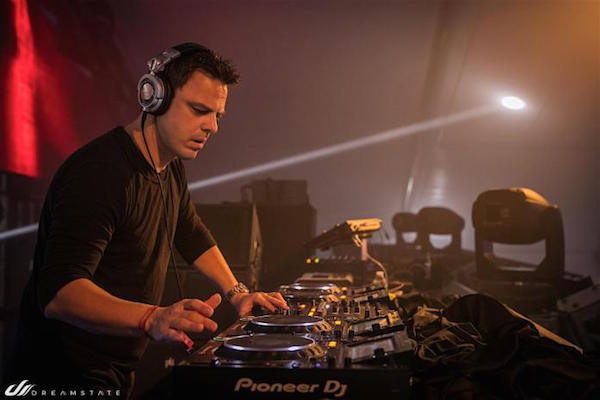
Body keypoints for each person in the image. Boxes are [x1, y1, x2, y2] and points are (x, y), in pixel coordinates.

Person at [10, 42, 288, 397]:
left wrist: (238, 295)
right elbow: (60, 294)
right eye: (199, 110)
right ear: (154, 97)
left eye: (217, 116)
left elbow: (189, 231)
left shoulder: (168, 167)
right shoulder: (98, 174)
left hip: (112, 368)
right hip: (61, 374)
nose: (212, 127)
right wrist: (151, 317)